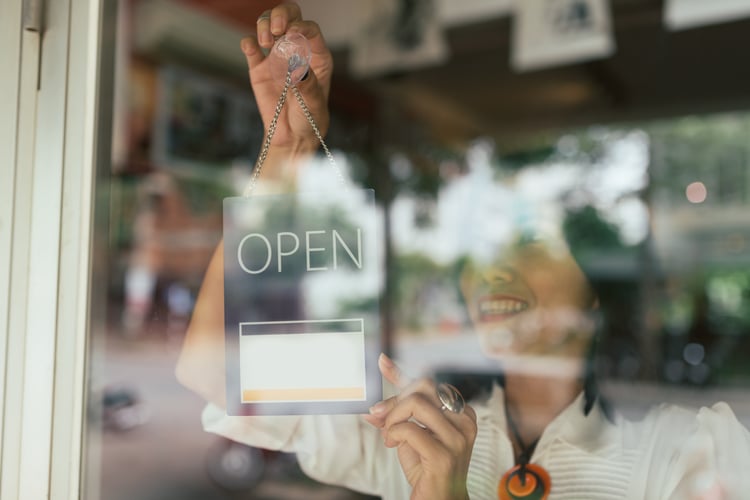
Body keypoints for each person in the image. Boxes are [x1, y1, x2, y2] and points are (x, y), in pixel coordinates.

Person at [176, 4, 750, 499]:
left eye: (531, 244)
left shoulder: (686, 448)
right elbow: (214, 370)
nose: (494, 271)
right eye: (479, 255)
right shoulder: (404, 416)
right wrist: (289, 148)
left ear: (595, 287)